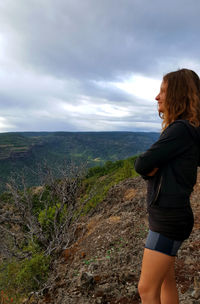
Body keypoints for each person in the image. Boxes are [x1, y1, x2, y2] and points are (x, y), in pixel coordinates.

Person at [134, 68, 200, 304]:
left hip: (168, 221)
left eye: (162, 91)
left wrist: (151, 168)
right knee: (165, 282)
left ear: (178, 96)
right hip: (172, 216)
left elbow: (142, 164)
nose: (156, 97)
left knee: (146, 289)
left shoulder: (180, 129)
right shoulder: (187, 130)